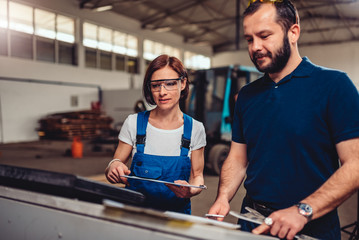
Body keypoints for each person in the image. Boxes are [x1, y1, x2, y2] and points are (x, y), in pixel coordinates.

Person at [208, 0, 359, 239]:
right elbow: (237, 158)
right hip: (254, 223)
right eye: (249, 39)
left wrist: (302, 211)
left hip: (312, 227)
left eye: (264, 35)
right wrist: (223, 198)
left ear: (293, 32)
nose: (255, 47)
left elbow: (355, 164)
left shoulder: (335, 86)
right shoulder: (247, 96)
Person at [105, 54, 206, 214]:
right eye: (156, 85)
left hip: (176, 217)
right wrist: (113, 167)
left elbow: (197, 176)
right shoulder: (134, 123)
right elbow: (116, 162)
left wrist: (191, 190)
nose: (162, 92)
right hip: (135, 215)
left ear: (183, 83)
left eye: (170, 84)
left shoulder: (195, 128)